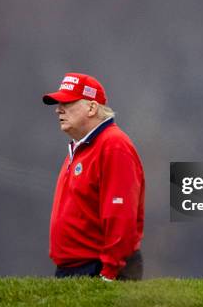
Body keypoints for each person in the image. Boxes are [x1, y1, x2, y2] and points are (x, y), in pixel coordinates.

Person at [42, 72, 145, 281]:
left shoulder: (113, 146)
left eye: (68, 103)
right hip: (75, 269)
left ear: (92, 108)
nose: (58, 109)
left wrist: (109, 272)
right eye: (58, 103)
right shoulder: (83, 147)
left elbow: (121, 215)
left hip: (98, 268)